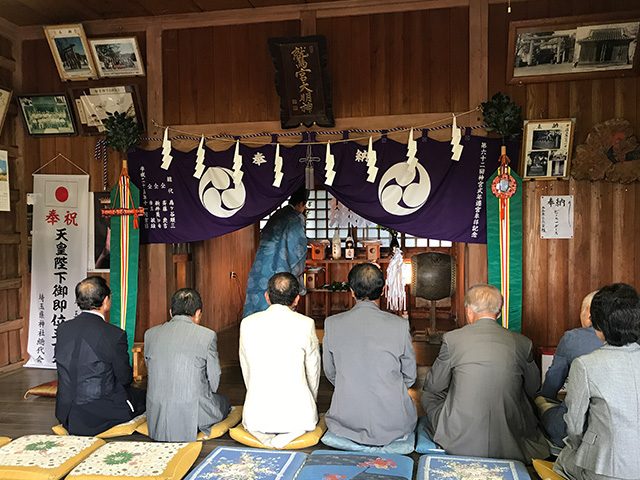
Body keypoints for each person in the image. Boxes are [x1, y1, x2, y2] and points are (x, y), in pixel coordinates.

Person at [421, 284, 548, 463]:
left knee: (429, 394)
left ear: (468, 311)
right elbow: (534, 388)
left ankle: (447, 432)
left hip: (460, 436)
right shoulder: (522, 343)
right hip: (510, 433)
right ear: (499, 312)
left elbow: (435, 386)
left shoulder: (453, 339)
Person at [323, 263, 417, 447]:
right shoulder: (399, 325)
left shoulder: (332, 324)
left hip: (345, 421)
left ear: (351, 291)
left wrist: (352, 384)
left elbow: (331, 372)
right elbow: (410, 376)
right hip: (393, 423)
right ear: (382, 291)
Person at [555, 283, 640, 480]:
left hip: (607, 469)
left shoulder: (586, 365)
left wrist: (578, 447)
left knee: (563, 459)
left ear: (598, 324)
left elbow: (574, 427)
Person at [55, 276, 145, 436]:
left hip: (66, 412)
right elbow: (125, 378)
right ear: (105, 301)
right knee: (143, 397)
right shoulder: (114, 335)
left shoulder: (63, 329)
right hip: (99, 414)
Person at [240, 272, 320, 448]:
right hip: (299, 419)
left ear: (267, 297)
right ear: (297, 299)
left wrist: (255, 395)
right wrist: (311, 401)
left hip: (256, 417)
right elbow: (313, 370)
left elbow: (246, 370)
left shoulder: (247, 323)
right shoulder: (305, 324)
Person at [144, 288, 230, 442]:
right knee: (224, 402)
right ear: (198, 313)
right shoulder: (207, 335)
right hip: (194, 413)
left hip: (157, 414)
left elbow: (150, 368)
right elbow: (214, 378)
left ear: (171, 312)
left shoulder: (150, 334)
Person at [536, 291, 603, 447]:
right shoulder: (632, 345)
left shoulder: (573, 338)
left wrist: (540, 397)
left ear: (589, 313)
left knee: (540, 404)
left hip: (579, 427)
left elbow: (552, 385)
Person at [243, 187, 308, 318]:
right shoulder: (296, 218)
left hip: (262, 263)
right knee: (282, 295)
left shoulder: (278, 214)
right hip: (281, 265)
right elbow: (298, 247)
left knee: (260, 295)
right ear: (302, 203)